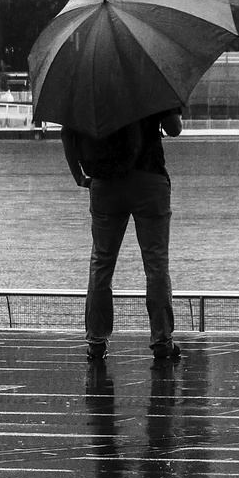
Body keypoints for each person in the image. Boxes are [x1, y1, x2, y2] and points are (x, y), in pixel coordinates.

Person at [62, 109, 183, 362]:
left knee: (101, 263)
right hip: (150, 180)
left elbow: (67, 134)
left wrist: (78, 176)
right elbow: (174, 128)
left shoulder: (88, 83)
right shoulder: (150, 77)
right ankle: (162, 340)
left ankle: (96, 341)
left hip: (105, 183)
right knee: (156, 264)